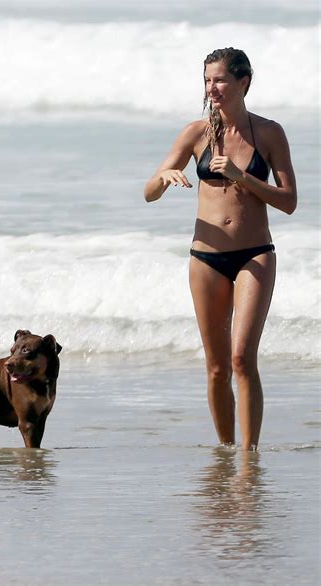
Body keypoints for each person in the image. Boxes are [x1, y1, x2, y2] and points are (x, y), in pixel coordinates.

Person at [144, 48, 297, 451]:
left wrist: (240, 176)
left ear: (244, 82)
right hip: (206, 257)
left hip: (255, 254)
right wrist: (165, 178)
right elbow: (149, 193)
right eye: (207, 80)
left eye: (220, 80)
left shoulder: (269, 133)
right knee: (216, 368)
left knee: (242, 359)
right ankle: (226, 452)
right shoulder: (196, 133)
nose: (212, 88)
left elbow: (288, 201)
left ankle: (249, 458)